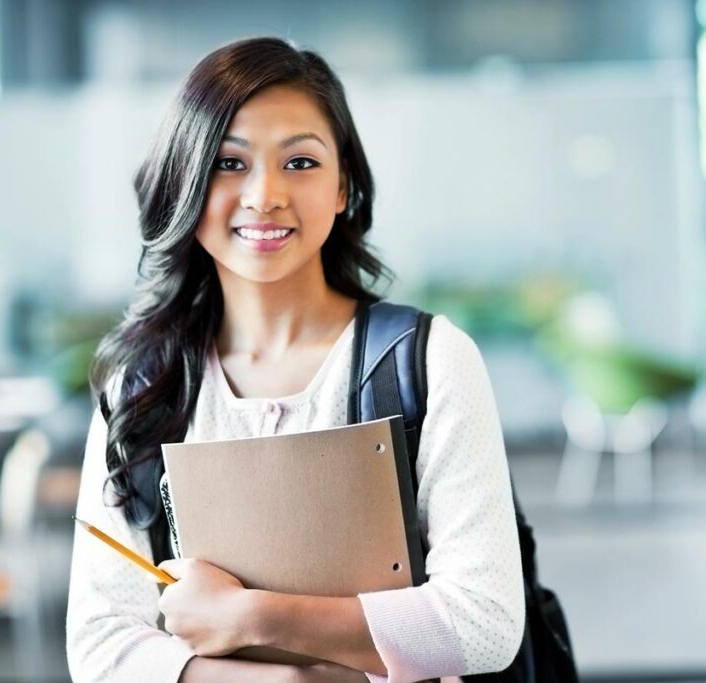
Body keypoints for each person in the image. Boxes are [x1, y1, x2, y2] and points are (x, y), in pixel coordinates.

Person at [66, 36, 524, 683]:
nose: (264, 195)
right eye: (229, 163)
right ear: (186, 182)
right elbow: (99, 644)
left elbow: (484, 624)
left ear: (344, 187)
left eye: (301, 162)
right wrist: (291, 681)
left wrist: (253, 616)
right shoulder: (142, 384)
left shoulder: (428, 358)